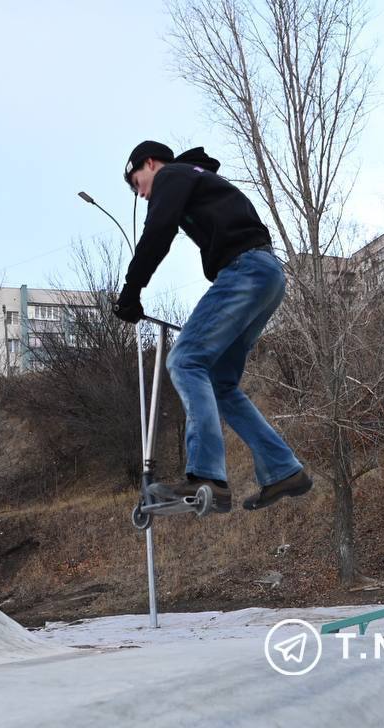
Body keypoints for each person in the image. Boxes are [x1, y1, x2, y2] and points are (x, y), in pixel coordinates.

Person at [114, 140, 312, 514]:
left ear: (150, 163)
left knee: (186, 360)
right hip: (267, 276)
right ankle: (283, 470)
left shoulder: (171, 174)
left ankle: (207, 476)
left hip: (245, 271)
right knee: (221, 382)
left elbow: (158, 231)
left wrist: (131, 291)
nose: (139, 193)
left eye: (136, 181)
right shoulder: (195, 178)